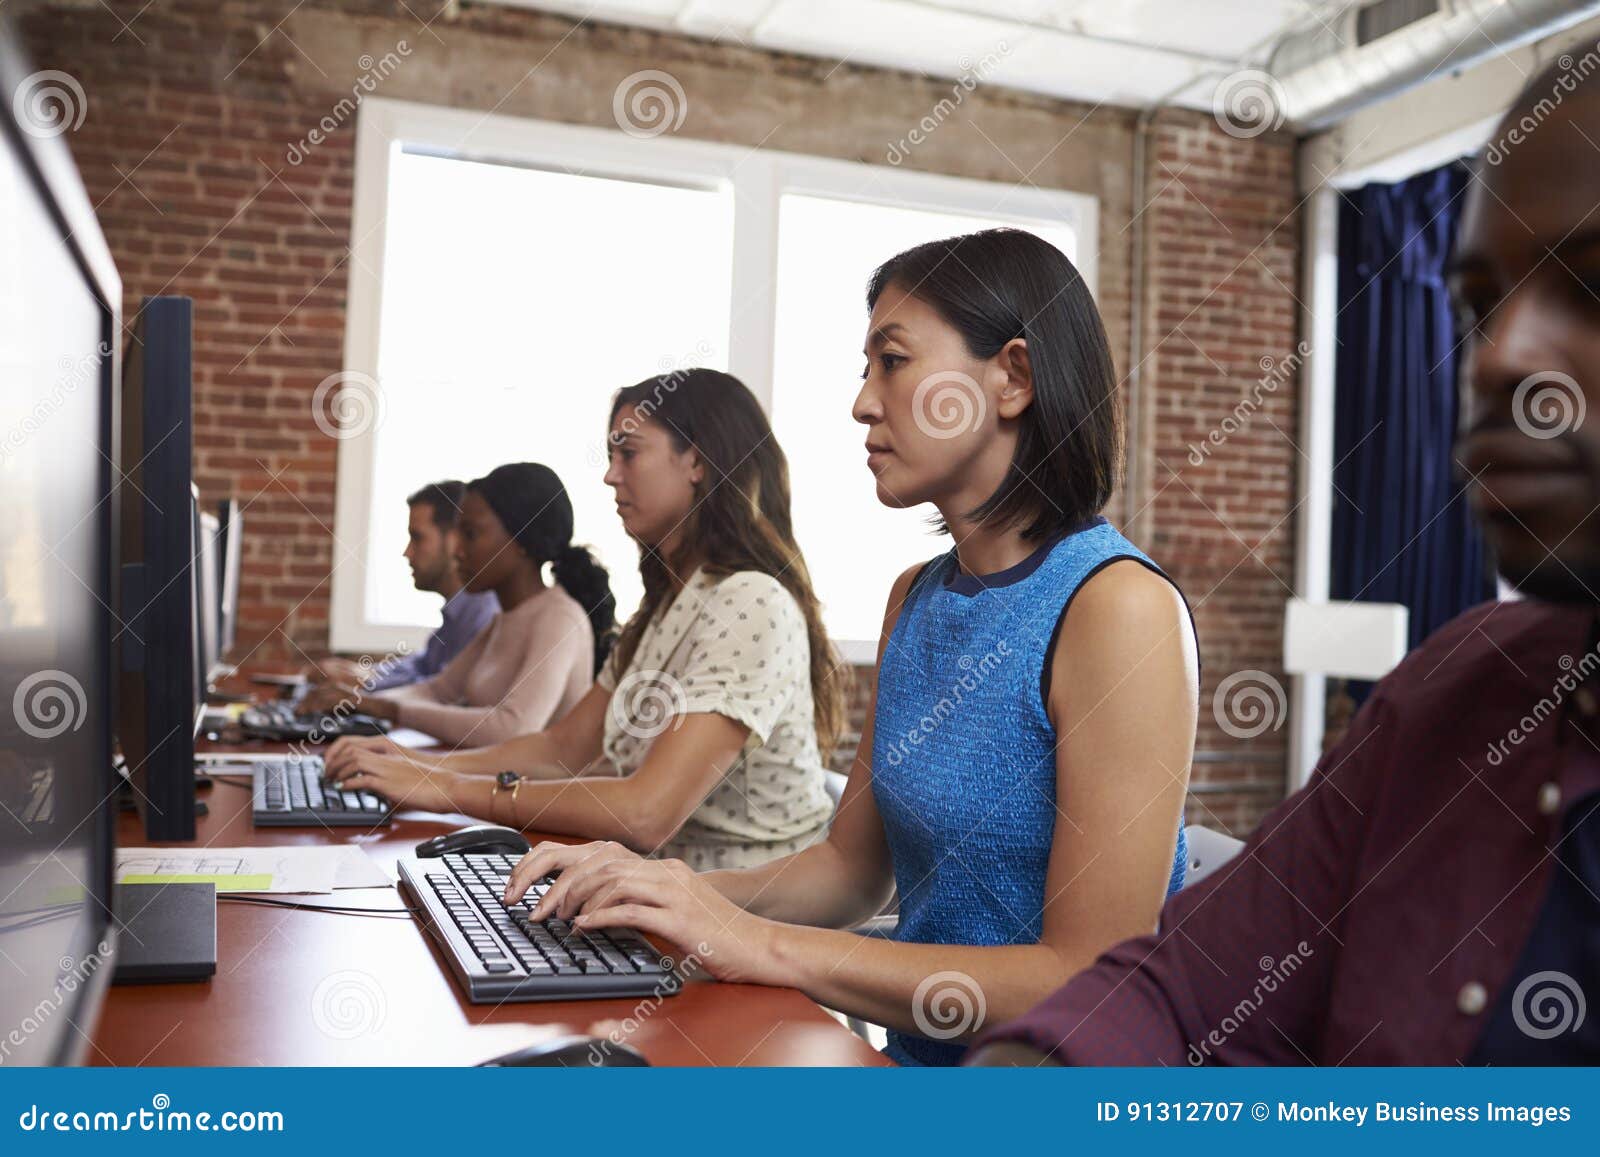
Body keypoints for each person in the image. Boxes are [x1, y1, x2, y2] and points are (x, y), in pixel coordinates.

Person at [966, 62, 1600, 1067]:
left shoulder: (1111, 601)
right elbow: (1175, 987)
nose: (1496, 358)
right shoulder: (1458, 685)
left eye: (1590, 287)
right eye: (1479, 306)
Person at [494, 229, 1200, 1067]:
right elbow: (850, 869)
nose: (863, 402)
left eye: (891, 362)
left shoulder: (1118, 607)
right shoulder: (917, 595)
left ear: (1011, 377)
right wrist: (667, 896)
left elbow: (1090, 979)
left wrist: (758, 942)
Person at [324, 370, 848, 871]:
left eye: (629, 453)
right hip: (653, 892)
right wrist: (418, 768)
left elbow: (646, 813)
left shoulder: (749, 601)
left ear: (697, 461)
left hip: (741, 922)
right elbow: (563, 747)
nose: (609, 474)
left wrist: (446, 790)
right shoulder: (668, 605)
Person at [326, 463, 612, 747]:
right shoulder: (504, 620)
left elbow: (512, 729)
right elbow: (438, 691)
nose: (457, 550)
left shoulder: (558, 618)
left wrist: (388, 709)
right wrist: (360, 701)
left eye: (471, 534)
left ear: (522, 540)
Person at [303, 481, 497, 698]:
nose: (407, 553)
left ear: (453, 540)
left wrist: (367, 683)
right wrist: (365, 674)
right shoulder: (459, 610)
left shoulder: (482, 614)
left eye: (417, 538)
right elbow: (422, 666)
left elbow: (444, 694)